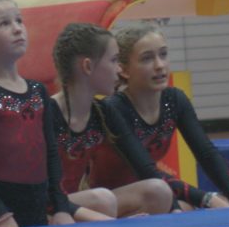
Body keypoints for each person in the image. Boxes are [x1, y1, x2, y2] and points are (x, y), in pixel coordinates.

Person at [90, 23, 229, 209]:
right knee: (186, 206)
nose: (159, 65)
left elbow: (207, 154)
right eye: (147, 59)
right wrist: (203, 198)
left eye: (163, 54)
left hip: (152, 190)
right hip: (110, 198)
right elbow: (145, 169)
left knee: (203, 205)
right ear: (123, 69)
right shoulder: (113, 109)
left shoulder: (174, 100)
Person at [0, 0, 80, 227]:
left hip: (38, 207)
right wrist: (0, 216)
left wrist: (61, 207)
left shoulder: (38, 91)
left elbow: (51, 153)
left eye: (19, 21)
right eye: (4, 24)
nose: (17, 29)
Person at [50, 22, 174, 217]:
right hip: (44, 209)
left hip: (76, 204)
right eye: (114, 60)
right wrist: (105, 221)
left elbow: (145, 168)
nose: (119, 70)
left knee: (158, 191)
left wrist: (177, 208)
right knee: (102, 200)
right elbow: (33, 193)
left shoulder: (103, 112)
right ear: (88, 66)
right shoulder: (45, 114)